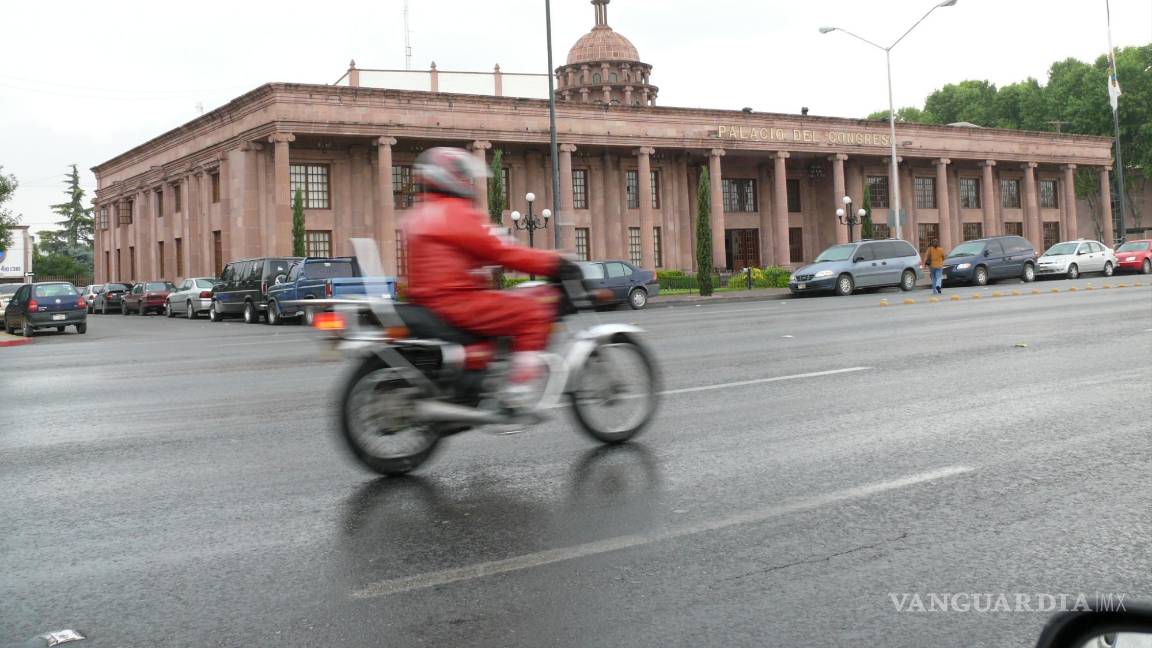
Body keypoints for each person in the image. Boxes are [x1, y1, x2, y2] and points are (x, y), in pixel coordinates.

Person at [402, 147, 575, 407]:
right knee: (532, 312)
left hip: (430, 302)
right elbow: (501, 251)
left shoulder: (420, 214)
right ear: (448, 177)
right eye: (462, 174)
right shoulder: (454, 213)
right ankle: (519, 390)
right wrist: (553, 262)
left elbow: (468, 254)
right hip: (456, 301)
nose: (468, 181)